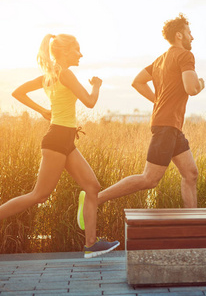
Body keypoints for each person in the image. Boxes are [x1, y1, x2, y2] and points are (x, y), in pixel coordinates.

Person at [77, 13, 204, 230]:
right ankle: (95, 198)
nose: (193, 37)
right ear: (179, 35)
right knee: (149, 179)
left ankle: (192, 224)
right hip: (166, 127)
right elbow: (191, 88)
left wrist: (158, 101)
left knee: (190, 174)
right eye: (190, 33)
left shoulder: (161, 60)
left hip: (171, 126)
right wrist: (201, 83)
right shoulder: (185, 56)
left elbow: (137, 82)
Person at [0, 34, 119, 258]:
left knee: (92, 187)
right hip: (56, 141)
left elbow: (18, 92)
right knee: (39, 195)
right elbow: (90, 102)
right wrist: (96, 86)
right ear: (64, 52)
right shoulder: (65, 73)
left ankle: (91, 244)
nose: (81, 54)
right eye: (77, 49)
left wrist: (42, 111)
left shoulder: (50, 75)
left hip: (65, 141)